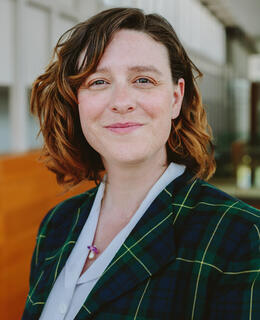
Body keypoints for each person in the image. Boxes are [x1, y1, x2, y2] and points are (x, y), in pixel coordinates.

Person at [22, 7, 259, 320]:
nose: (121, 101)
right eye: (98, 82)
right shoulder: (57, 224)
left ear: (176, 98)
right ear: (75, 100)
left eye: (143, 80)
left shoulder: (240, 235)